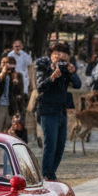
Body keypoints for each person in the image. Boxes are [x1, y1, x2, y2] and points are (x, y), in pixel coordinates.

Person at [33, 45, 81, 180]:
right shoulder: (42, 65)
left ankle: (51, 173)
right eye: (56, 55)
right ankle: (47, 175)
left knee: (60, 147)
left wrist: (72, 72)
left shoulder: (66, 68)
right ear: (50, 56)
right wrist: (53, 76)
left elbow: (78, 85)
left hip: (61, 111)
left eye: (62, 56)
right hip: (47, 111)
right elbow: (40, 86)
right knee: (50, 145)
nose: (59, 58)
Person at [0, 54, 25, 133]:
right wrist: (2, 74)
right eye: (3, 62)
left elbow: (19, 93)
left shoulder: (17, 75)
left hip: (11, 107)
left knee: (9, 131)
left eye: (7, 63)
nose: (5, 65)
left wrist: (15, 83)